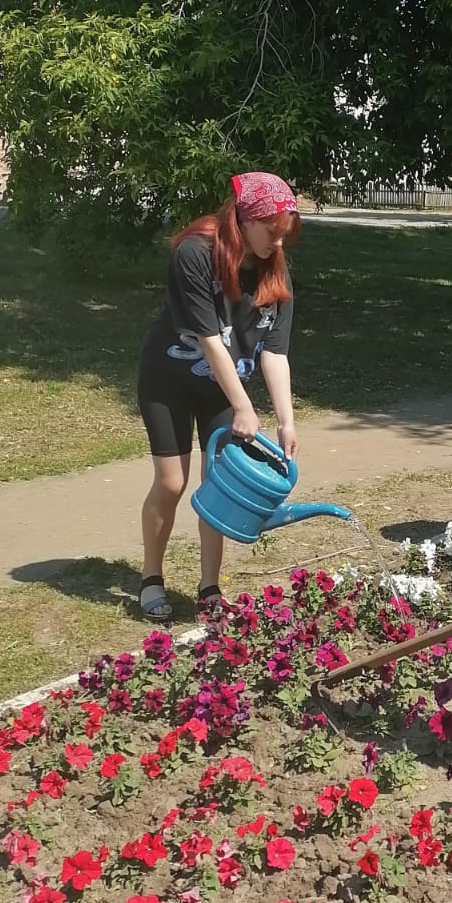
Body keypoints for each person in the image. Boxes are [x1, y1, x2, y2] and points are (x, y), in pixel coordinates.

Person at [136, 171, 301, 624]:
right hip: (169, 377)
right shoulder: (196, 254)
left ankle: (209, 588)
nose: (279, 244)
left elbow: (275, 353)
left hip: (221, 386)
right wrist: (245, 406)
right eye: (272, 232)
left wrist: (286, 420)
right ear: (246, 219)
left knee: (220, 484)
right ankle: (151, 577)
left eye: (286, 236)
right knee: (172, 483)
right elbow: (209, 338)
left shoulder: (274, 270)